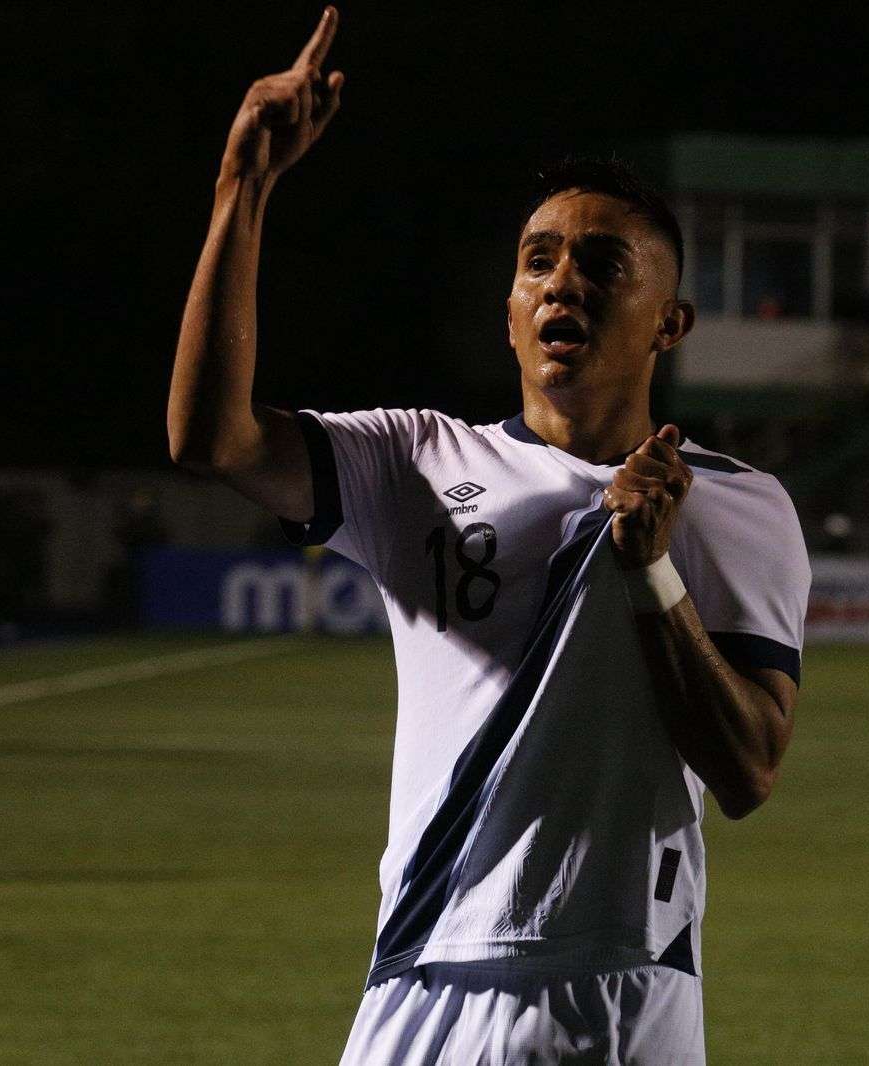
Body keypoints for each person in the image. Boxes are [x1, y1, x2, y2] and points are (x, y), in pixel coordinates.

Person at [168, 9, 811, 1062]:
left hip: (628, 986)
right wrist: (244, 185)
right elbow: (212, 437)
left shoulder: (738, 505)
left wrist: (650, 571)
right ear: (511, 307)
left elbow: (748, 768)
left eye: (603, 265)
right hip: (426, 976)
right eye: (539, 260)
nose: (563, 281)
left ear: (670, 321)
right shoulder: (415, 459)